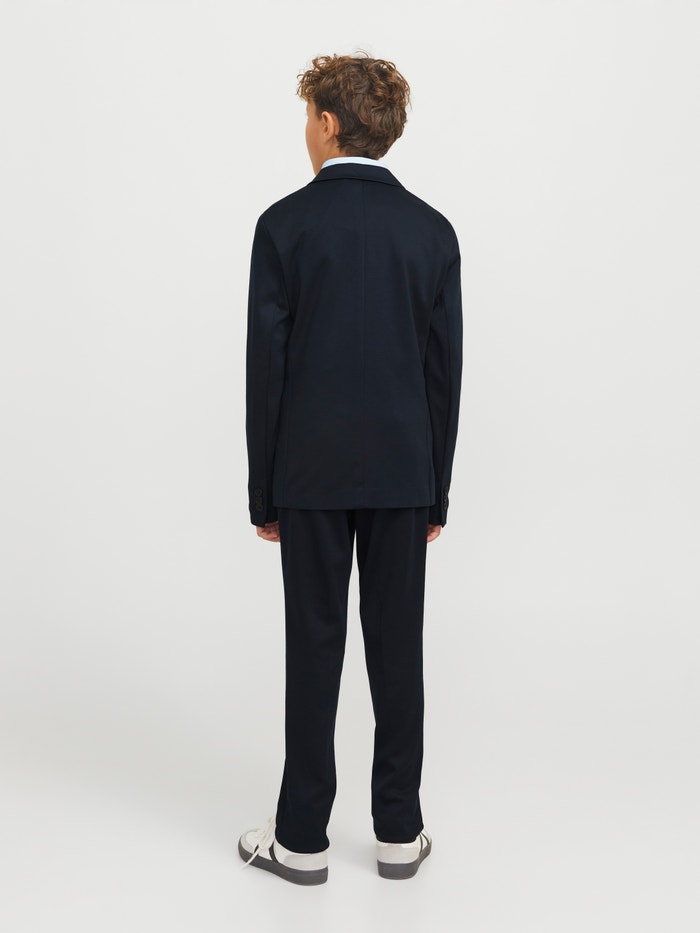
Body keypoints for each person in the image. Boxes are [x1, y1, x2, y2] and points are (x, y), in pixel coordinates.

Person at [238, 50, 463, 885]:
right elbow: (445, 374)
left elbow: (267, 370)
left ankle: (302, 838)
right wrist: (436, 490)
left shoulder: (283, 226)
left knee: (314, 647)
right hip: (405, 474)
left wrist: (263, 489)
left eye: (309, 118)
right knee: (398, 649)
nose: (306, 131)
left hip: (310, 474)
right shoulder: (432, 232)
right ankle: (399, 830)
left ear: (329, 123)